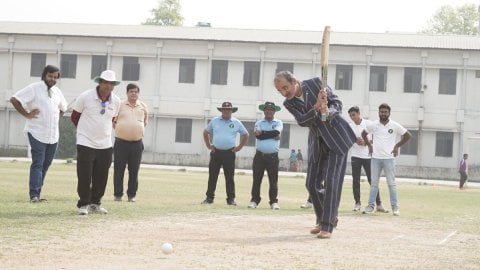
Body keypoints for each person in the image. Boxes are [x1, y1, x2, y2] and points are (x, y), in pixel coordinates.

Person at [274, 71, 356, 239]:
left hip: (337, 137)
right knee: (311, 184)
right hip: (317, 142)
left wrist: (327, 109)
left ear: (294, 81)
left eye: (285, 87)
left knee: (332, 182)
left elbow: (337, 103)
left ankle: (327, 225)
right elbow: (303, 121)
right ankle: (325, 217)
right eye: (280, 91)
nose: (284, 93)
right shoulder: (288, 103)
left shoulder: (316, 83)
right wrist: (316, 108)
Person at [10, 65, 68, 202]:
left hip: (53, 135)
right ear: (44, 75)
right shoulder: (34, 88)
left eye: (55, 77)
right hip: (36, 132)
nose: (52, 79)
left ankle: (37, 194)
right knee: (38, 163)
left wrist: (56, 119)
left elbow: (63, 107)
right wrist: (27, 114)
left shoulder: (57, 92)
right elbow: (14, 99)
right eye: (50, 76)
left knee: (46, 164)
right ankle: (34, 195)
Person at [71, 70, 121, 215]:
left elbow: (112, 119)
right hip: (85, 141)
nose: (107, 86)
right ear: (99, 82)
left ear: (113, 86)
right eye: (105, 82)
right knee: (84, 175)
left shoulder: (116, 101)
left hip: (105, 144)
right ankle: (83, 204)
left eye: (111, 83)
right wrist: (84, 132)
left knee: (101, 176)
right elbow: (75, 117)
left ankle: (95, 203)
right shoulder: (85, 97)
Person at [361, 103, 411, 216]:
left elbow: (408, 135)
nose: (383, 114)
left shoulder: (394, 125)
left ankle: (395, 208)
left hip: (389, 159)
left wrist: (397, 146)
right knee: (374, 184)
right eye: (381, 112)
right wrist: (369, 145)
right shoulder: (374, 124)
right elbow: (364, 133)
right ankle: (370, 206)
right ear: (379, 112)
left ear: (389, 113)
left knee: (391, 184)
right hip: (375, 158)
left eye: (385, 112)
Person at [201, 102, 249, 206]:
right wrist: (209, 145)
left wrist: (239, 147)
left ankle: (231, 199)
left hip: (229, 153)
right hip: (216, 152)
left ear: (232, 111)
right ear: (221, 110)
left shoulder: (236, 122)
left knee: (229, 177)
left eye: (228, 109)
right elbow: (205, 132)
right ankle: (209, 198)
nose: (226, 111)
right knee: (212, 176)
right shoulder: (215, 121)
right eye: (224, 109)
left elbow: (245, 134)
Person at [113, 83, 148, 202]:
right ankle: (118, 195)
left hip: (137, 144)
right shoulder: (119, 105)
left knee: (134, 170)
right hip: (121, 143)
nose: (134, 93)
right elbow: (113, 122)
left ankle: (131, 195)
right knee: (119, 170)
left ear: (138, 93)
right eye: (131, 91)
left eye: (136, 92)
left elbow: (144, 122)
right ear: (127, 93)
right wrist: (123, 130)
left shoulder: (143, 106)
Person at [347, 106, 387, 213]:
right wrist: (355, 141)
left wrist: (365, 143)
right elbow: (347, 139)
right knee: (356, 181)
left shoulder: (368, 124)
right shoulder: (349, 126)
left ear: (359, 113)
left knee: (372, 180)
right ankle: (357, 203)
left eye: (354, 115)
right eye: (350, 116)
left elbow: (376, 138)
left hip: (368, 156)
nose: (352, 117)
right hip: (355, 156)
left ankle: (379, 204)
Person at [248, 101, 283, 210]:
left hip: (273, 157)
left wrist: (264, 133)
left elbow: (275, 133)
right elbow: (259, 137)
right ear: (264, 111)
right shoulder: (259, 122)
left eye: (271, 109)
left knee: (273, 180)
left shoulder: (278, 122)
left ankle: (273, 202)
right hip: (259, 156)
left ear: (274, 111)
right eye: (267, 109)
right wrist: (272, 134)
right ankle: (254, 200)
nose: (269, 111)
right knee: (256, 179)